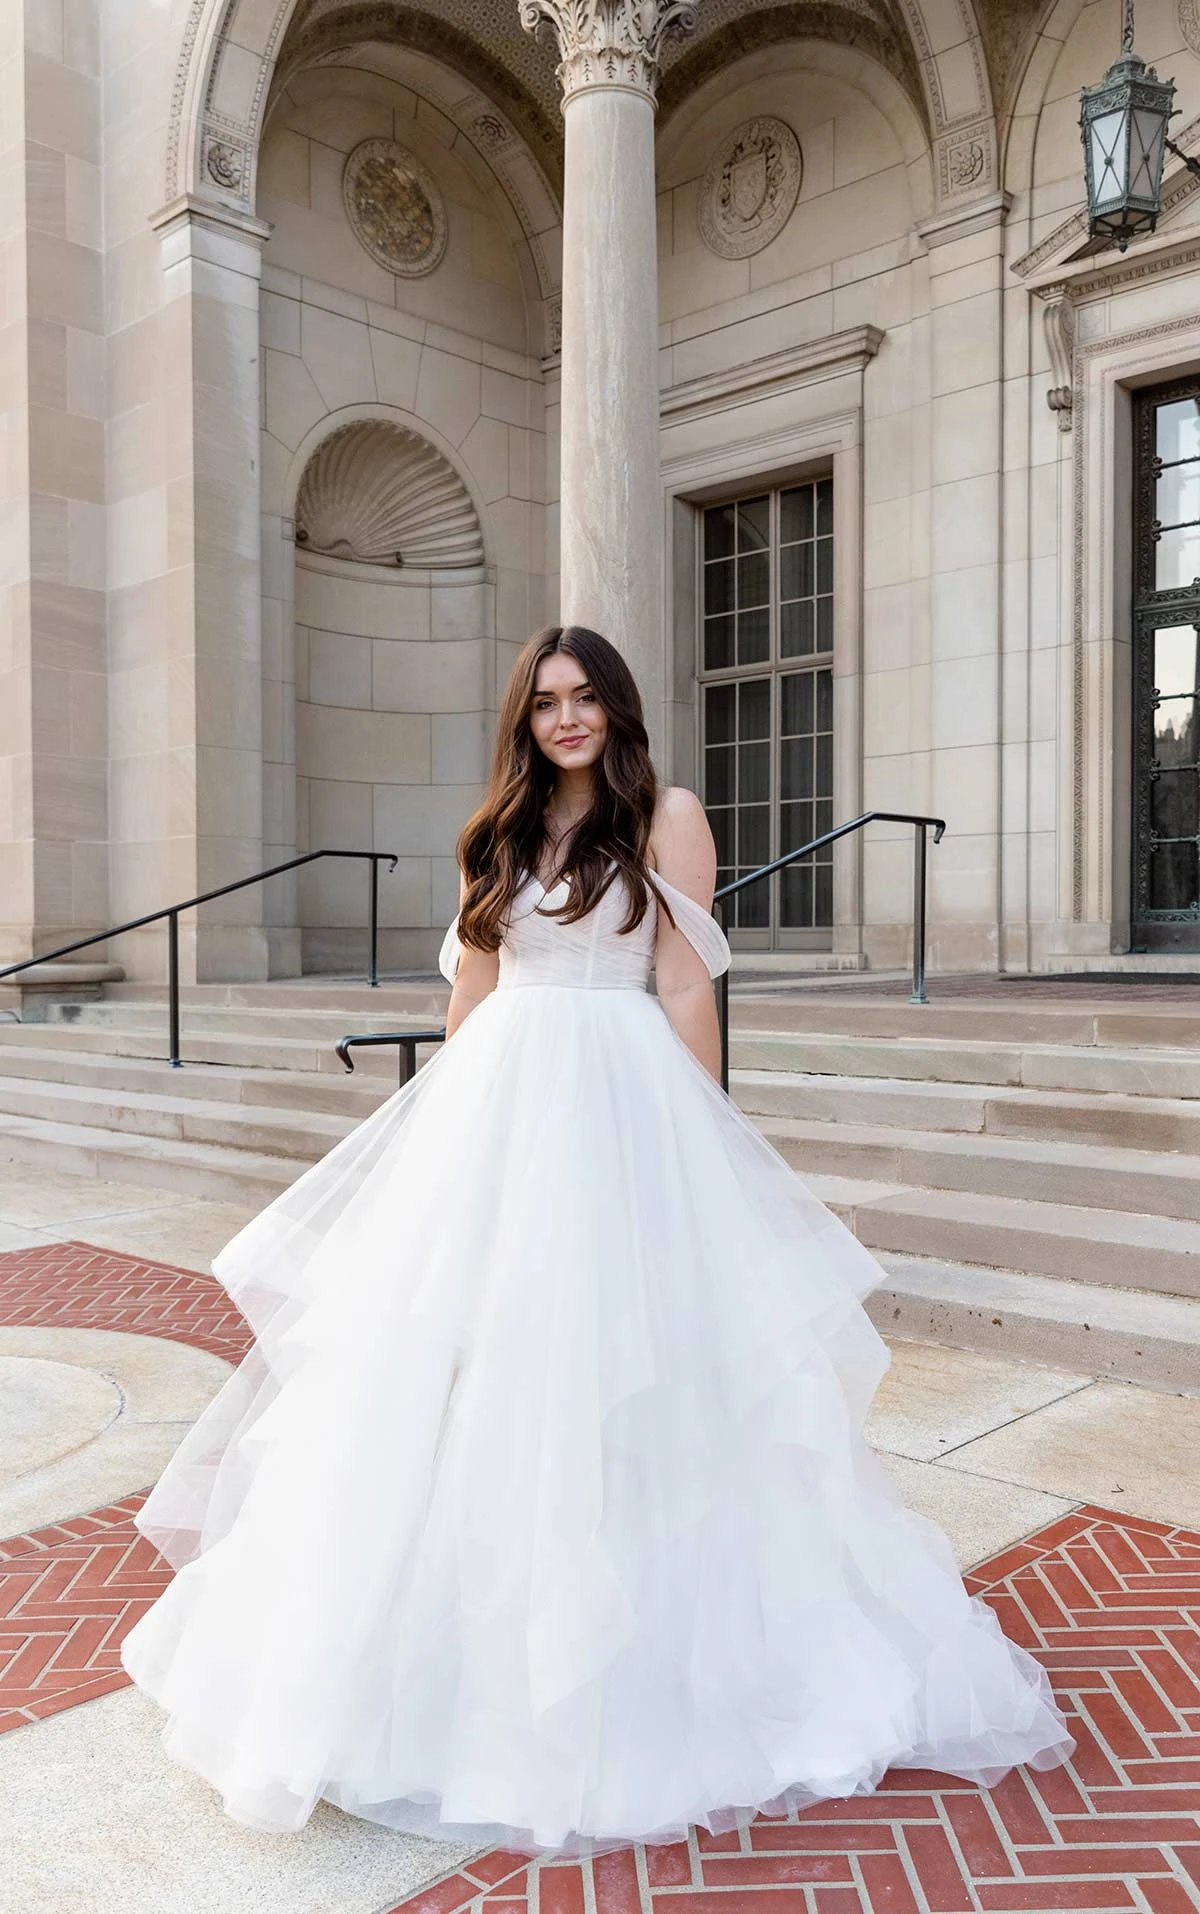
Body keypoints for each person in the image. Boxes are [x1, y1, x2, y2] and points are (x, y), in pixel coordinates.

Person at [120, 624, 1074, 1858]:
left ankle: (646, 1663)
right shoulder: (498, 833)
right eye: (545, 702)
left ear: (617, 708)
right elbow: (470, 994)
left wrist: (708, 1145)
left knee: (632, 1378)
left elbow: (683, 983)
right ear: (523, 718)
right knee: (464, 1384)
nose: (565, 719)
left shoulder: (666, 815)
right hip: (498, 1115)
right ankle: (438, 1673)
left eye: (584, 699)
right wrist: (441, 1145)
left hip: (629, 1110)